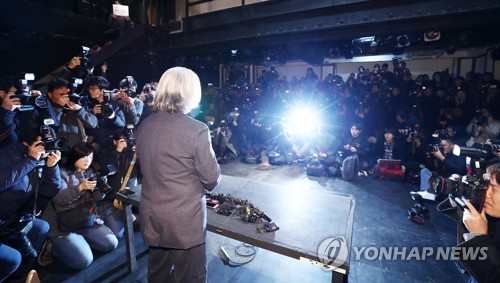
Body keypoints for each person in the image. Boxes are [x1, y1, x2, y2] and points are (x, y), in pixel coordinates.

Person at [136, 67, 221, 283]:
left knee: (158, 275)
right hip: (184, 222)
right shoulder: (197, 130)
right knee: (190, 277)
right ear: (191, 92)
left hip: (153, 218)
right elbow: (211, 179)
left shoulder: (145, 125)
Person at [41, 142, 118, 269]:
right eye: (83, 157)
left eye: (90, 157)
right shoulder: (61, 172)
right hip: (62, 223)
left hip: (84, 219)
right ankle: (53, 246)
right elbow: (59, 200)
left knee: (111, 243)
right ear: (74, 157)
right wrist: (81, 188)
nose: (87, 160)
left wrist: (101, 187)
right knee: (83, 261)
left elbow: (97, 199)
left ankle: (80, 242)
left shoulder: (92, 171)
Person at [0, 125, 61, 280]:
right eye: (43, 144)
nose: (47, 148)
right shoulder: (8, 155)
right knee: (13, 258)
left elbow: (50, 190)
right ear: (27, 144)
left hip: (12, 217)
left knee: (42, 227)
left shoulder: (40, 160)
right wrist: (30, 160)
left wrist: (52, 167)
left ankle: (21, 274)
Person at [458, 163, 500, 283]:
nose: (486, 194)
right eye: (487, 187)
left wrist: (480, 237)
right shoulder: (494, 220)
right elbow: (468, 263)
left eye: (495, 188)